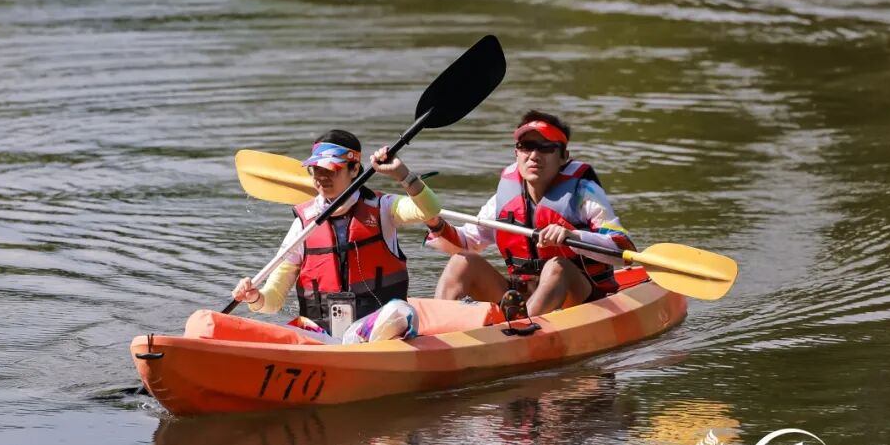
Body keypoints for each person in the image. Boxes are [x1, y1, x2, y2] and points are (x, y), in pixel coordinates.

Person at [424, 110, 635, 318]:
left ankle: (524, 329)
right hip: (521, 296)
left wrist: (574, 236)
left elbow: (624, 249)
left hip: (584, 298)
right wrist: (435, 224)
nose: (534, 156)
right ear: (516, 153)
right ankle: (436, 326)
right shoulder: (504, 198)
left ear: (563, 157)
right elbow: (466, 243)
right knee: (462, 261)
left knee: (557, 267)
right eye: (526, 146)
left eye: (546, 148)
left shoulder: (584, 192)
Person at [231, 130, 441, 336]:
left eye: (331, 170)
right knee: (291, 329)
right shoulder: (303, 226)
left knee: (401, 311)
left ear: (354, 169)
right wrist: (255, 297)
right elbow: (273, 301)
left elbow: (430, 210)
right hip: (321, 336)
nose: (321, 177)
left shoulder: (384, 208)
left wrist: (402, 174)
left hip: (374, 332)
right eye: (315, 169)